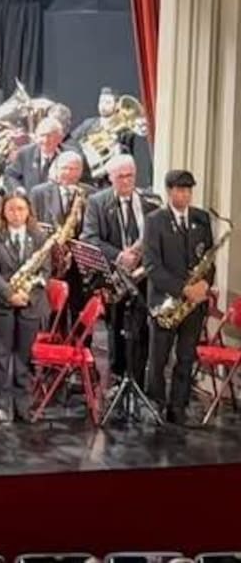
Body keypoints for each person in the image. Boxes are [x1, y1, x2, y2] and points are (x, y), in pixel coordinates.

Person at [80, 154, 159, 389]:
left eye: (130, 176)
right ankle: (116, 378)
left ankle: (137, 380)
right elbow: (90, 238)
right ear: (110, 178)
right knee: (116, 328)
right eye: (120, 177)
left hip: (143, 276)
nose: (126, 181)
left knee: (142, 329)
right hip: (115, 274)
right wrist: (119, 255)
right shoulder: (97, 202)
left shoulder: (151, 202)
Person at [144, 169, 214, 425]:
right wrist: (183, 289)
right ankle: (156, 404)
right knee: (159, 357)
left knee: (186, 356)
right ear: (169, 191)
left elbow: (209, 259)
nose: (185, 195)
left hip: (194, 303)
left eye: (188, 190)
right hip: (165, 301)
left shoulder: (202, 219)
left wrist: (205, 284)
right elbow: (152, 265)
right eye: (180, 190)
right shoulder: (154, 220)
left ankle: (178, 406)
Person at [0, 190, 49, 423]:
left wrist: (26, 294)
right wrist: (10, 294)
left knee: (24, 354)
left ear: (28, 211)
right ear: (3, 211)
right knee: (0, 353)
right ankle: (2, 404)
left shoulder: (38, 236)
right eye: (11, 209)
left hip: (30, 302)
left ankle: (23, 403)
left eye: (21, 209)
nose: (16, 214)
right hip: (2, 302)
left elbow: (45, 271)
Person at [2, 116, 65, 194]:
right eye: (42, 135)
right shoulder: (25, 153)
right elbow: (10, 176)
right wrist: (18, 190)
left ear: (60, 138)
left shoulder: (69, 156)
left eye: (50, 136)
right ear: (36, 137)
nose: (45, 140)